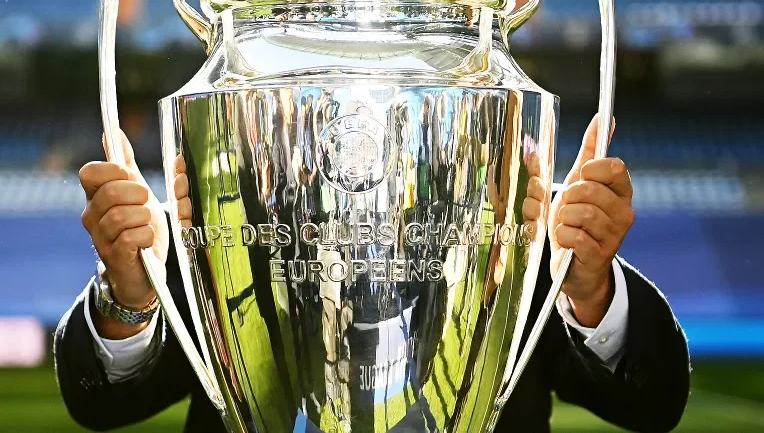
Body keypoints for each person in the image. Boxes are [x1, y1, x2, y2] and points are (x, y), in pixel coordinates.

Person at [54, 116, 691, 432]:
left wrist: (589, 287)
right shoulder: (227, 228)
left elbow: (653, 402)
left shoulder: (513, 225)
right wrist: (131, 293)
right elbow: (101, 402)